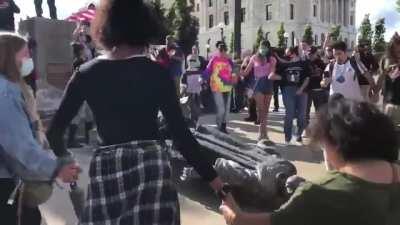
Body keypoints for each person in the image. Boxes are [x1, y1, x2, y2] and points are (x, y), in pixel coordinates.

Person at [46, 1, 224, 224]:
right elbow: (181, 136)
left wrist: (65, 161)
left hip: (106, 172)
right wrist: (218, 185)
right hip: (152, 170)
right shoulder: (158, 74)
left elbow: (54, 132)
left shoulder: (85, 74)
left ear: (105, 28)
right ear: (144, 27)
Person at [220, 94, 400, 225]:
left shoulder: (319, 192)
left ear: (336, 143)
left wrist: (231, 210)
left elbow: (245, 222)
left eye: (323, 143)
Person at [0, 32, 80, 225]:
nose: (29, 60)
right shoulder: (6, 94)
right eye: (25, 54)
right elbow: (19, 146)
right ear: (9, 57)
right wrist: (56, 168)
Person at [241, 40, 277, 142]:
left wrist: (268, 65)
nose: (263, 48)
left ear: (268, 48)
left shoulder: (272, 59)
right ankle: (261, 133)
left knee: (265, 111)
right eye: (262, 46)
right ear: (259, 47)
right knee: (261, 110)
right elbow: (246, 72)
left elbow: (272, 72)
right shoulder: (254, 58)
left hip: (268, 84)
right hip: (258, 85)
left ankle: (264, 133)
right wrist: (241, 68)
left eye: (265, 47)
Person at [275, 46, 310, 144]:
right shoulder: (284, 65)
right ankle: (287, 137)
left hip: (302, 91)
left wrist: (301, 89)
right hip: (288, 90)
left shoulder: (303, 63)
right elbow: (276, 73)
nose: (287, 56)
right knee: (289, 113)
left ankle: (299, 134)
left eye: (288, 54)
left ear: (294, 54)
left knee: (302, 115)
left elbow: (307, 78)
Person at [203, 41, 237, 133]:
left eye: (224, 50)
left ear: (225, 51)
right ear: (218, 51)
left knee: (226, 108)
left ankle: (223, 126)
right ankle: (219, 125)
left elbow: (234, 70)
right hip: (216, 87)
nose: (222, 52)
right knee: (221, 108)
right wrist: (202, 78)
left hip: (228, 87)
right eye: (220, 50)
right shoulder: (214, 59)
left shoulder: (229, 60)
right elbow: (208, 70)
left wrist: (234, 76)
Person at [376, 32, 400, 127]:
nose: (398, 53)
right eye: (396, 51)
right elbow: (380, 77)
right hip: (389, 103)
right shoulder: (385, 60)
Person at [181, 45, 206, 126]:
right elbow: (183, 82)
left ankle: (195, 120)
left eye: (196, 50)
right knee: (190, 106)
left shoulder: (200, 68)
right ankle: (191, 121)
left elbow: (203, 76)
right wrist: (183, 89)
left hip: (197, 91)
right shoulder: (187, 71)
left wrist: (204, 83)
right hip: (189, 91)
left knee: (197, 106)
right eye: (193, 49)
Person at [305, 46, 329, 128]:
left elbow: (327, 74)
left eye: (312, 54)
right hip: (307, 90)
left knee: (319, 112)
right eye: (309, 54)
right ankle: (305, 129)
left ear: (316, 53)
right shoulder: (305, 62)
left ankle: (319, 130)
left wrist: (325, 82)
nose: (310, 56)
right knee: (305, 111)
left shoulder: (321, 63)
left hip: (319, 90)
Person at [240, 55, 258, 122]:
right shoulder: (252, 65)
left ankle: (254, 117)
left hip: (251, 86)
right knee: (251, 102)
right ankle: (253, 117)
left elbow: (243, 74)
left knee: (252, 102)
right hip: (251, 86)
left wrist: (242, 67)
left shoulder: (248, 67)